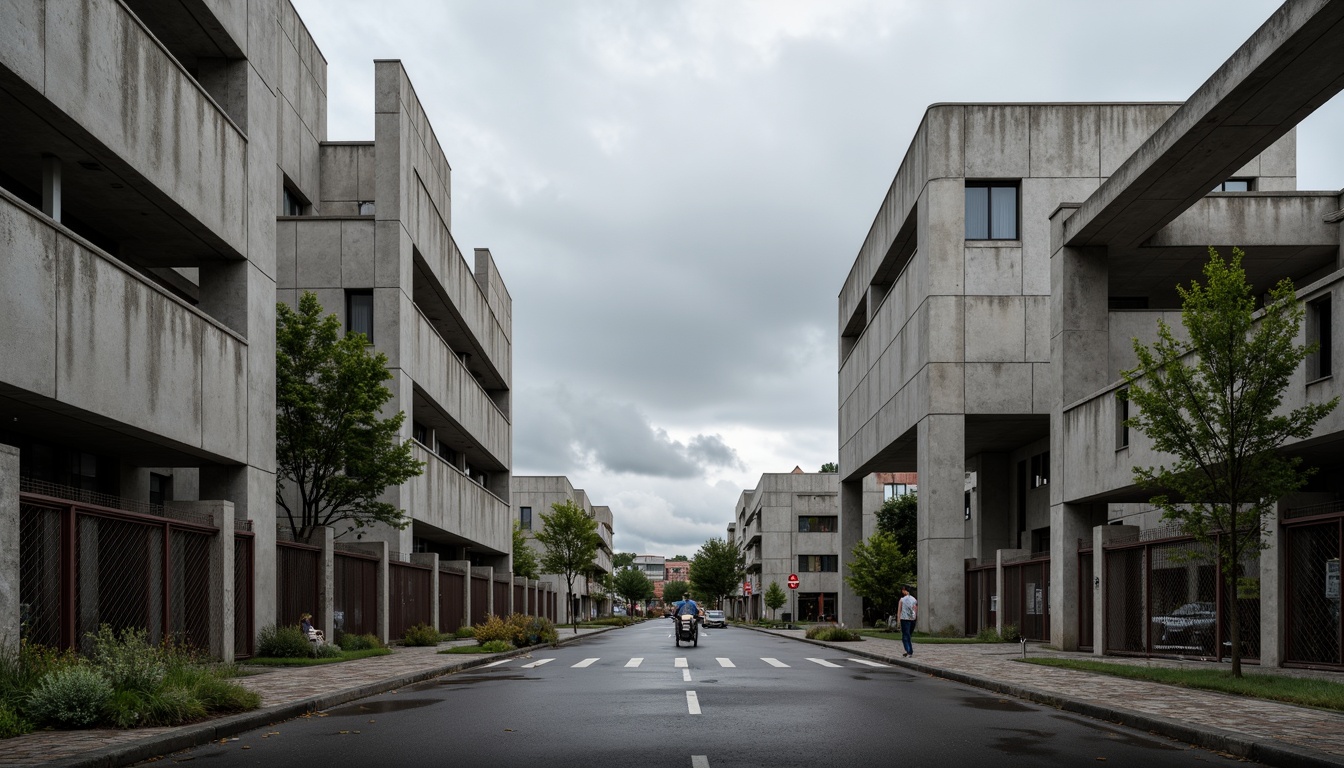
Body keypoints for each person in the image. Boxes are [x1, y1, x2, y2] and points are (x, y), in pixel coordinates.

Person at [898, 586, 917, 657]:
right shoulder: (914, 599)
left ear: (904, 590)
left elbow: (899, 611)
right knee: (909, 635)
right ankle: (909, 650)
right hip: (912, 619)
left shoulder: (902, 600)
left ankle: (909, 651)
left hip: (905, 619)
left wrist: (898, 621)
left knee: (905, 636)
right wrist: (914, 618)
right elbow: (915, 609)